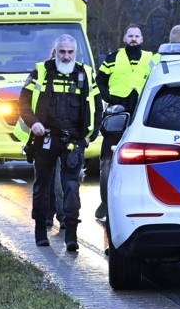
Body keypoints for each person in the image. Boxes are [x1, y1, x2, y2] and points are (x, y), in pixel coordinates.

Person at [19, 33, 99, 251]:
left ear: (76, 53)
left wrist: (89, 136)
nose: (66, 56)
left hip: (73, 140)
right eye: (62, 52)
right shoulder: (41, 71)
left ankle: (71, 235)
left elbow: (97, 106)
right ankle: (40, 231)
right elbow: (23, 103)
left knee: (71, 187)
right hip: (45, 138)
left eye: (70, 52)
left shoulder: (85, 74)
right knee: (42, 185)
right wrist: (34, 123)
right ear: (55, 52)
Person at [93, 24, 156, 221]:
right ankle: (105, 202)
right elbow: (99, 81)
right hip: (117, 112)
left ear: (142, 39)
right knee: (107, 159)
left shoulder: (152, 59)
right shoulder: (112, 58)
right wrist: (109, 97)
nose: (133, 39)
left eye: (137, 36)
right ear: (124, 38)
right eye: (130, 36)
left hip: (143, 113)